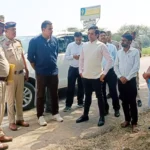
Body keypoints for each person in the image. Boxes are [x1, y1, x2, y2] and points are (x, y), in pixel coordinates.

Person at [28, 20, 63, 126]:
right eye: (49, 29)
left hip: (53, 72)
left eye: (52, 28)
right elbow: (30, 57)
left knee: (54, 94)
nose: (52, 31)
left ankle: (55, 113)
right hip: (41, 73)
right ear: (43, 29)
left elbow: (55, 54)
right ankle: (40, 116)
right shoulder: (35, 41)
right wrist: (37, 69)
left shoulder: (55, 40)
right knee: (40, 95)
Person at [76, 26, 113, 127]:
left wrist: (104, 73)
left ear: (97, 35)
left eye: (92, 33)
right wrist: (80, 71)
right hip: (85, 76)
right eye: (88, 33)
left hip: (97, 77)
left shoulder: (101, 46)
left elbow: (110, 60)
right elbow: (81, 60)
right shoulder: (85, 45)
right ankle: (85, 115)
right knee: (87, 97)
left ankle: (102, 116)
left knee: (99, 97)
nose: (89, 35)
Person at [0, 22, 29, 131]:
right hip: (10, 75)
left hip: (20, 73)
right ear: (6, 31)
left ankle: (20, 119)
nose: (14, 31)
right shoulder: (2, 43)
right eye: (12, 29)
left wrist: (26, 68)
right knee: (10, 99)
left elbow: (21, 56)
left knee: (19, 98)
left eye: (15, 29)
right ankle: (11, 122)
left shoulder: (18, 42)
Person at [114, 33, 140, 133]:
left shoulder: (135, 52)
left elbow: (136, 67)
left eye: (124, 40)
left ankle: (134, 123)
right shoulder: (119, 52)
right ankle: (127, 120)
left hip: (131, 81)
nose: (122, 42)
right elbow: (115, 66)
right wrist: (120, 76)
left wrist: (127, 78)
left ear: (130, 41)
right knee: (124, 101)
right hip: (121, 81)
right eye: (122, 40)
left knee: (132, 102)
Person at [99, 31, 120, 117]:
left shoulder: (112, 47)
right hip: (100, 73)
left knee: (113, 91)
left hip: (111, 72)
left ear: (107, 37)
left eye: (104, 35)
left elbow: (116, 59)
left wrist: (115, 70)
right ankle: (105, 109)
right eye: (101, 36)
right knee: (102, 92)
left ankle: (116, 109)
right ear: (98, 37)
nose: (103, 37)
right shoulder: (96, 47)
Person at [63, 32, 84, 112]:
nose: (78, 41)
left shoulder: (85, 45)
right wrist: (73, 56)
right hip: (72, 68)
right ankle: (68, 105)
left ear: (82, 38)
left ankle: (80, 103)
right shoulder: (70, 45)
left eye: (79, 39)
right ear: (74, 38)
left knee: (81, 86)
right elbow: (66, 57)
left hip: (81, 68)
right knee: (70, 87)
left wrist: (81, 57)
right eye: (77, 39)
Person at [0, 17, 12, 150]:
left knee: (1, 110)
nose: (3, 29)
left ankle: (0, 134)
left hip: (3, 80)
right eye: (1, 26)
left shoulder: (1, 43)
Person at [131, 31, 142, 107]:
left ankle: (138, 100)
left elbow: (140, 50)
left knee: (134, 82)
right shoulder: (122, 46)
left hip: (134, 64)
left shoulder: (136, 42)